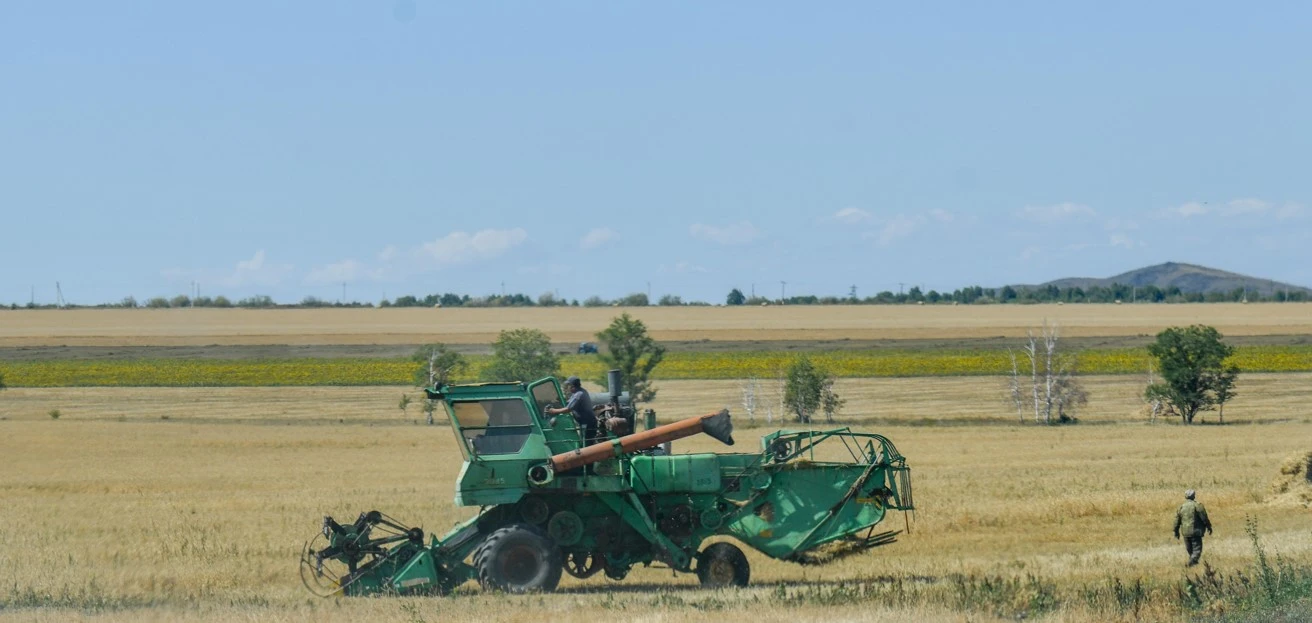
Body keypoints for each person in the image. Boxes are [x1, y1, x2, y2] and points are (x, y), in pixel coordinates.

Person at [544, 376, 598, 444]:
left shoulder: (579, 395)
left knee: (587, 443)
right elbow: (569, 402)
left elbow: (568, 409)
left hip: (587, 423)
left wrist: (553, 411)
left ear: (572, 386)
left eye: (568, 385)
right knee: (585, 441)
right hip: (585, 422)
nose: (568, 388)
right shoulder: (578, 392)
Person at [1174, 489, 1213, 566]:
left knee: (1190, 549)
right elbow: (1204, 517)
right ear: (1194, 496)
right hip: (1196, 531)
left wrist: (1176, 531)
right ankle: (1191, 563)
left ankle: (1193, 564)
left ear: (1185, 496)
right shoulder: (1197, 505)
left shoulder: (1181, 507)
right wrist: (1209, 526)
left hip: (1185, 532)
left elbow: (1176, 521)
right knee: (1197, 549)